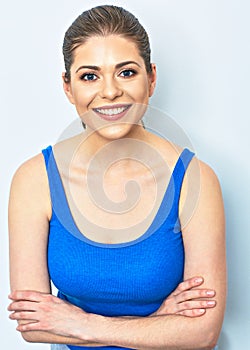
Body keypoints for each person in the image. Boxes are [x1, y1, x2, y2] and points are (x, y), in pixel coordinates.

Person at [7, 5, 226, 350]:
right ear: (67, 87)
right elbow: (33, 325)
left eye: (126, 72)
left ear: (151, 78)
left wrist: (80, 323)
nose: (109, 92)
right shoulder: (34, 180)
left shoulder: (193, 179)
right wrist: (157, 325)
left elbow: (203, 334)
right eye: (89, 76)